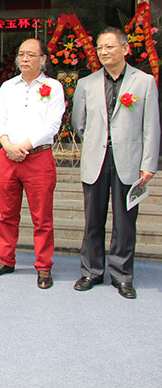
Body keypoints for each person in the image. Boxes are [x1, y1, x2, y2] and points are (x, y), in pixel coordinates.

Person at [72, 27, 160, 299]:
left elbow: (151, 126)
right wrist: (97, 141)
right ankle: (91, 271)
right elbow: (79, 123)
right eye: (99, 47)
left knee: (125, 222)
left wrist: (148, 163)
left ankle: (122, 276)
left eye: (109, 46)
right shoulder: (86, 84)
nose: (103, 52)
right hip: (96, 159)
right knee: (93, 221)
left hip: (129, 161)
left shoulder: (143, 82)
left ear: (125, 48)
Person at [0, 39, 65, 289]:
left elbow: (53, 124)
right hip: (8, 156)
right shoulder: (8, 87)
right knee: (7, 215)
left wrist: (25, 146)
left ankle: (44, 266)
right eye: (21, 54)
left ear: (43, 59)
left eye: (31, 54)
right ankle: (6, 259)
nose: (25, 59)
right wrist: (7, 144)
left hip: (38, 157)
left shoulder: (53, 87)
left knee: (42, 217)